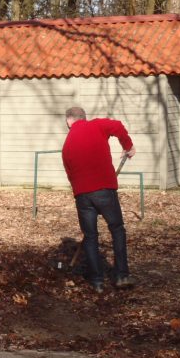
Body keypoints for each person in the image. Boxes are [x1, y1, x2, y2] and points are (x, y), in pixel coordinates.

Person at [61, 106, 136, 293]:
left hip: (82, 196)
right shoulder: (97, 126)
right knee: (117, 230)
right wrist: (128, 146)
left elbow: (70, 175)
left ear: (68, 121)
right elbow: (117, 126)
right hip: (104, 190)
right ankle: (121, 276)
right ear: (83, 118)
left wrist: (80, 192)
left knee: (91, 237)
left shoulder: (67, 144)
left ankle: (97, 282)